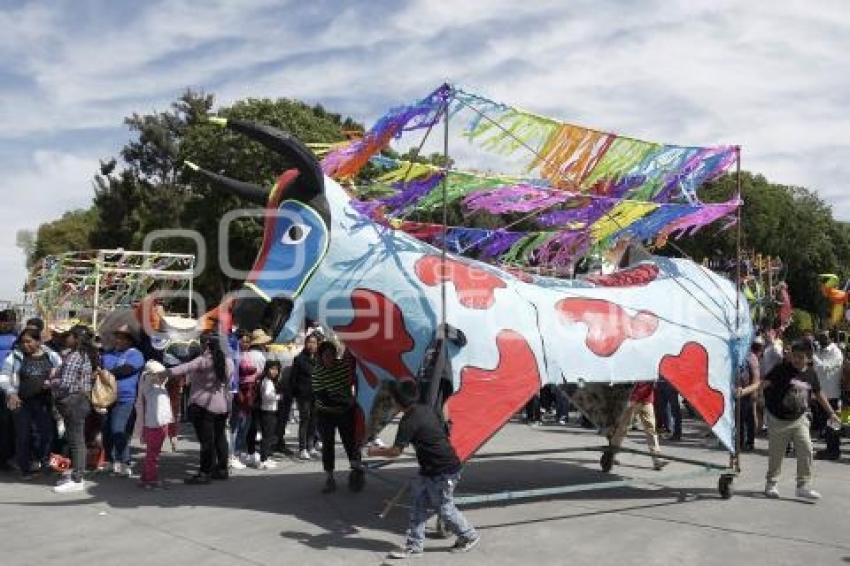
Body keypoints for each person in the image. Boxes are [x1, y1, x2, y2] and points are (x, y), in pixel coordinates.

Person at [369, 380, 480, 559]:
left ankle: (469, 536)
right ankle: (414, 545)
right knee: (418, 503)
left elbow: (396, 452)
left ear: (398, 402)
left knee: (444, 508)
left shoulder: (408, 421)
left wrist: (375, 452)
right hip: (431, 468)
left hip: (444, 470)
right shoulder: (426, 409)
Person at [761, 340, 841, 500]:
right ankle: (771, 484)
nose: (796, 360)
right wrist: (747, 392)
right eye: (794, 356)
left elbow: (819, 394)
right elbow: (763, 383)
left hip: (799, 418)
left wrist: (831, 413)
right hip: (778, 419)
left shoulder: (811, 374)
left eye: (800, 357)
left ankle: (803, 485)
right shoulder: (781, 369)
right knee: (777, 454)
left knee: (806, 448)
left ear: (808, 358)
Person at [166, 333, 234, 484]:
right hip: (222, 405)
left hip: (203, 406)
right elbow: (227, 381)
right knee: (220, 438)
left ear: (207, 344)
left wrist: (165, 372)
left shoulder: (203, 360)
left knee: (206, 441)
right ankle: (222, 470)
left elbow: (183, 368)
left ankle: (204, 473)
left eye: (202, 342)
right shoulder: (229, 362)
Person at [0, 328, 61, 480]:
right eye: (23, 342)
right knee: (23, 436)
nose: (25, 345)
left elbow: (62, 373)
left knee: (46, 434)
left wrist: (53, 381)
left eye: (29, 341)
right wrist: (11, 392)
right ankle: (25, 468)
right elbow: (4, 377)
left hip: (44, 403)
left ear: (38, 341)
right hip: (21, 403)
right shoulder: (15, 356)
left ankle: (45, 461)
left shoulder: (51, 356)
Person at [51, 325, 99, 493]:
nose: (66, 338)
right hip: (79, 401)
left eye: (69, 335)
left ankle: (78, 478)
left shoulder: (75, 356)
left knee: (77, 440)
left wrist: (49, 381)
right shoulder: (84, 355)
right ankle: (74, 473)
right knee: (74, 439)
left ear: (76, 338)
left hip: (73, 401)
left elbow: (65, 383)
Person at [312, 341, 363, 493]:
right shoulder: (317, 371)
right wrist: (348, 400)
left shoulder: (343, 366)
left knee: (351, 442)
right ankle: (330, 477)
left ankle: (356, 472)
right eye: (326, 356)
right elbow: (323, 396)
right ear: (320, 357)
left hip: (345, 412)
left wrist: (352, 399)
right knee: (328, 445)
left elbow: (355, 380)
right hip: (326, 413)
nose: (329, 359)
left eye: (332, 355)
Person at [101, 325, 144, 477]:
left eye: (122, 337)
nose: (118, 340)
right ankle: (111, 462)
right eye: (117, 337)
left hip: (125, 399)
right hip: (106, 398)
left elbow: (126, 370)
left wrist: (105, 373)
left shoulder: (135, 355)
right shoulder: (108, 354)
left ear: (130, 340)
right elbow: (98, 367)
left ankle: (125, 463)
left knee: (118, 430)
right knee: (106, 432)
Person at [607, 382, 669, 471]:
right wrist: (629, 398)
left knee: (651, 429)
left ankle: (657, 459)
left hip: (647, 399)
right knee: (623, 429)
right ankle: (611, 455)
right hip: (633, 399)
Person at [232, 329, 269, 468]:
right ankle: (234, 454)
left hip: (249, 392)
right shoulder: (235, 356)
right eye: (243, 341)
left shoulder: (246, 355)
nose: (246, 344)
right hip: (239, 392)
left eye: (248, 341)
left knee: (245, 424)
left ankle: (239, 452)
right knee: (238, 424)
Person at [134, 360, 173, 488]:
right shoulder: (147, 385)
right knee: (152, 454)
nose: (163, 377)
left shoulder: (160, 386)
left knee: (153, 453)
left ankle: (145, 478)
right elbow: (148, 376)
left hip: (162, 423)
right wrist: (152, 372)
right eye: (160, 375)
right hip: (153, 425)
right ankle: (151, 479)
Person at [812, 331, 843, 460]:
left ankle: (834, 451)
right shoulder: (821, 350)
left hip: (832, 394)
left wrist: (812, 355)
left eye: (824, 336)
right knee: (826, 425)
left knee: (833, 424)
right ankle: (830, 448)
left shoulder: (836, 352)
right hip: (822, 393)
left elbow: (824, 368)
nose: (821, 339)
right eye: (820, 336)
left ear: (831, 337)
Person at [290, 332, 320, 460]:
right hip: (304, 396)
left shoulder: (319, 359)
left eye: (314, 343)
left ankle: (311, 446)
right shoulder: (299, 359)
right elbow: (293, 379)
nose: (311, 345)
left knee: (314, 421)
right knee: (305, 420)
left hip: (317, 395)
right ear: (305, 343)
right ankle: (302, 448)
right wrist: (296, 393)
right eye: (309, 342)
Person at [247, 360, 280, 470]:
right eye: (272, 369)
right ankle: (263, 460)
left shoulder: (266, 380)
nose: (274, 371)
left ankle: (265, 458)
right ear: (267, 369)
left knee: (268, 436)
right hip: (268, 412)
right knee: (267, 437)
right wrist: (278, 397)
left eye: (276, 369)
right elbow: (267, 396)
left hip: (266, 411)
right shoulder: (267, 381)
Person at [736, 338, 764, 451]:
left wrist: (753, 393)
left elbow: (756, 377)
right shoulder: (737, 356)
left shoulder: (751, 357)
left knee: (748, 419)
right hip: (737, 392)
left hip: (747, 393)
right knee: (739, 419)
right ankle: (740, 441)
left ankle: (749, 442)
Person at [0, 309, 18, 471]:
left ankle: (5, 457)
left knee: (7, 423)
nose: (8, 325)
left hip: (9, 385)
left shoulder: (18, 337)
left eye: (11, 322)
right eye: (6, 322)